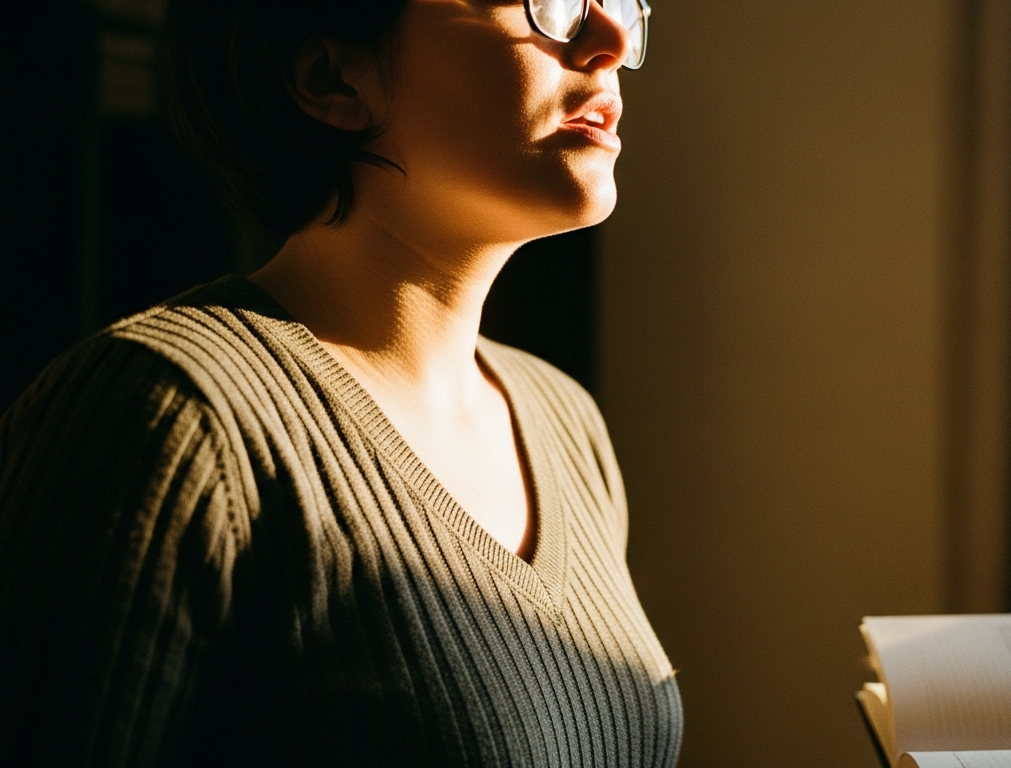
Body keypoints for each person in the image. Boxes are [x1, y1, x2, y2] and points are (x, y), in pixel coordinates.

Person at [0, 0, 679, 765]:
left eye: (619, 0)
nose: (613, 40)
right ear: (329, 77)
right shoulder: (166, 413)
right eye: (546, 0)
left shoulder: (564, 419)